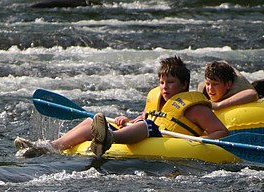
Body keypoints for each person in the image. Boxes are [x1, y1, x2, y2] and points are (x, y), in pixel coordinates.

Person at [15, 56, 230, 158]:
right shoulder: (157, 98)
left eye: (171, 83)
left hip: (167, 140)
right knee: (91, 121)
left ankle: (108, 138)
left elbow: (221, 131)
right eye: (162, 82)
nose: (165, 87)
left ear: (184, 84)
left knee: (147, 127)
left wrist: (202, 143)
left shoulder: (195, 108)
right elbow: (146, 118)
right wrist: (127, 121)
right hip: (148, 132)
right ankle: (49, 146)